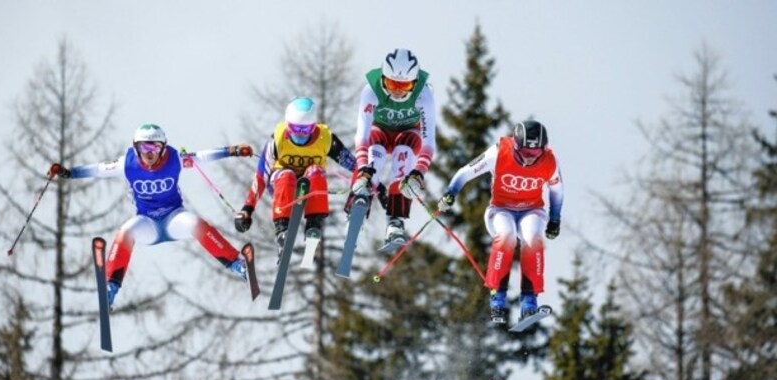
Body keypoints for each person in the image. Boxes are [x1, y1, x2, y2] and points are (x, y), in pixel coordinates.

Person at [47, 123, 254, 308]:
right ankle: (110, 289)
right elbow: (99, 170)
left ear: (163, 147)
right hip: (147, 224)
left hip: (174, 218)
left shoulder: (175, 159)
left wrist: (233, 151)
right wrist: (68, 173)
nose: (149, 153)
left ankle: (237, 264)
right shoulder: (126, 164)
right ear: (135, 148)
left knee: (196, 224)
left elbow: (201, 157)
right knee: (126, 231)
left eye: (154, 147)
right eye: (143, 147)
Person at [437, 120, 564, 325]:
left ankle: (529, 304)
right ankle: (498, 299)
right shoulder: (498, 153)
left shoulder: (550, 161)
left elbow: (557, 191)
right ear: (515, 145)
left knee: (533, 238)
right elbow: (466, 172)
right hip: (501, 210)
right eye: (525, 153)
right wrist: (451, 193)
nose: (530, 159)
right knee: (506, 236)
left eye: (535, 154)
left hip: (532, 210)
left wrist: (555, 219)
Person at [234, 97, 357, 253]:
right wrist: (248, 209)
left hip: (310, 186)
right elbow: (261, 175)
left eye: (305, 130)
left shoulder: (325, 138)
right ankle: (282, 228)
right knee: (287, 175)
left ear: (313, 127)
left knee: (316, 172)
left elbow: (353, 165)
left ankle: (313, 224)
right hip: (282, 184)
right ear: (287, 126)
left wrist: (367, 182)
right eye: (294, 129)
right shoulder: (278, 139)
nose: (299, 134)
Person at [349, 48, 437, 251]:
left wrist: (418, 174)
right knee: (374, 159)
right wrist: (363, 168)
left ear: (414, 83)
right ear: (383, 78)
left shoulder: (424, 94)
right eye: (391, 83)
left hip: (408, 134)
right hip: (380, 131)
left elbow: (429, 141)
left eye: (404, 84)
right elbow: (361, 135)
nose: (397, 90)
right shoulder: (371, 90)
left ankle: (395, 221)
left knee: (402, 159)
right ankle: (358, 205)